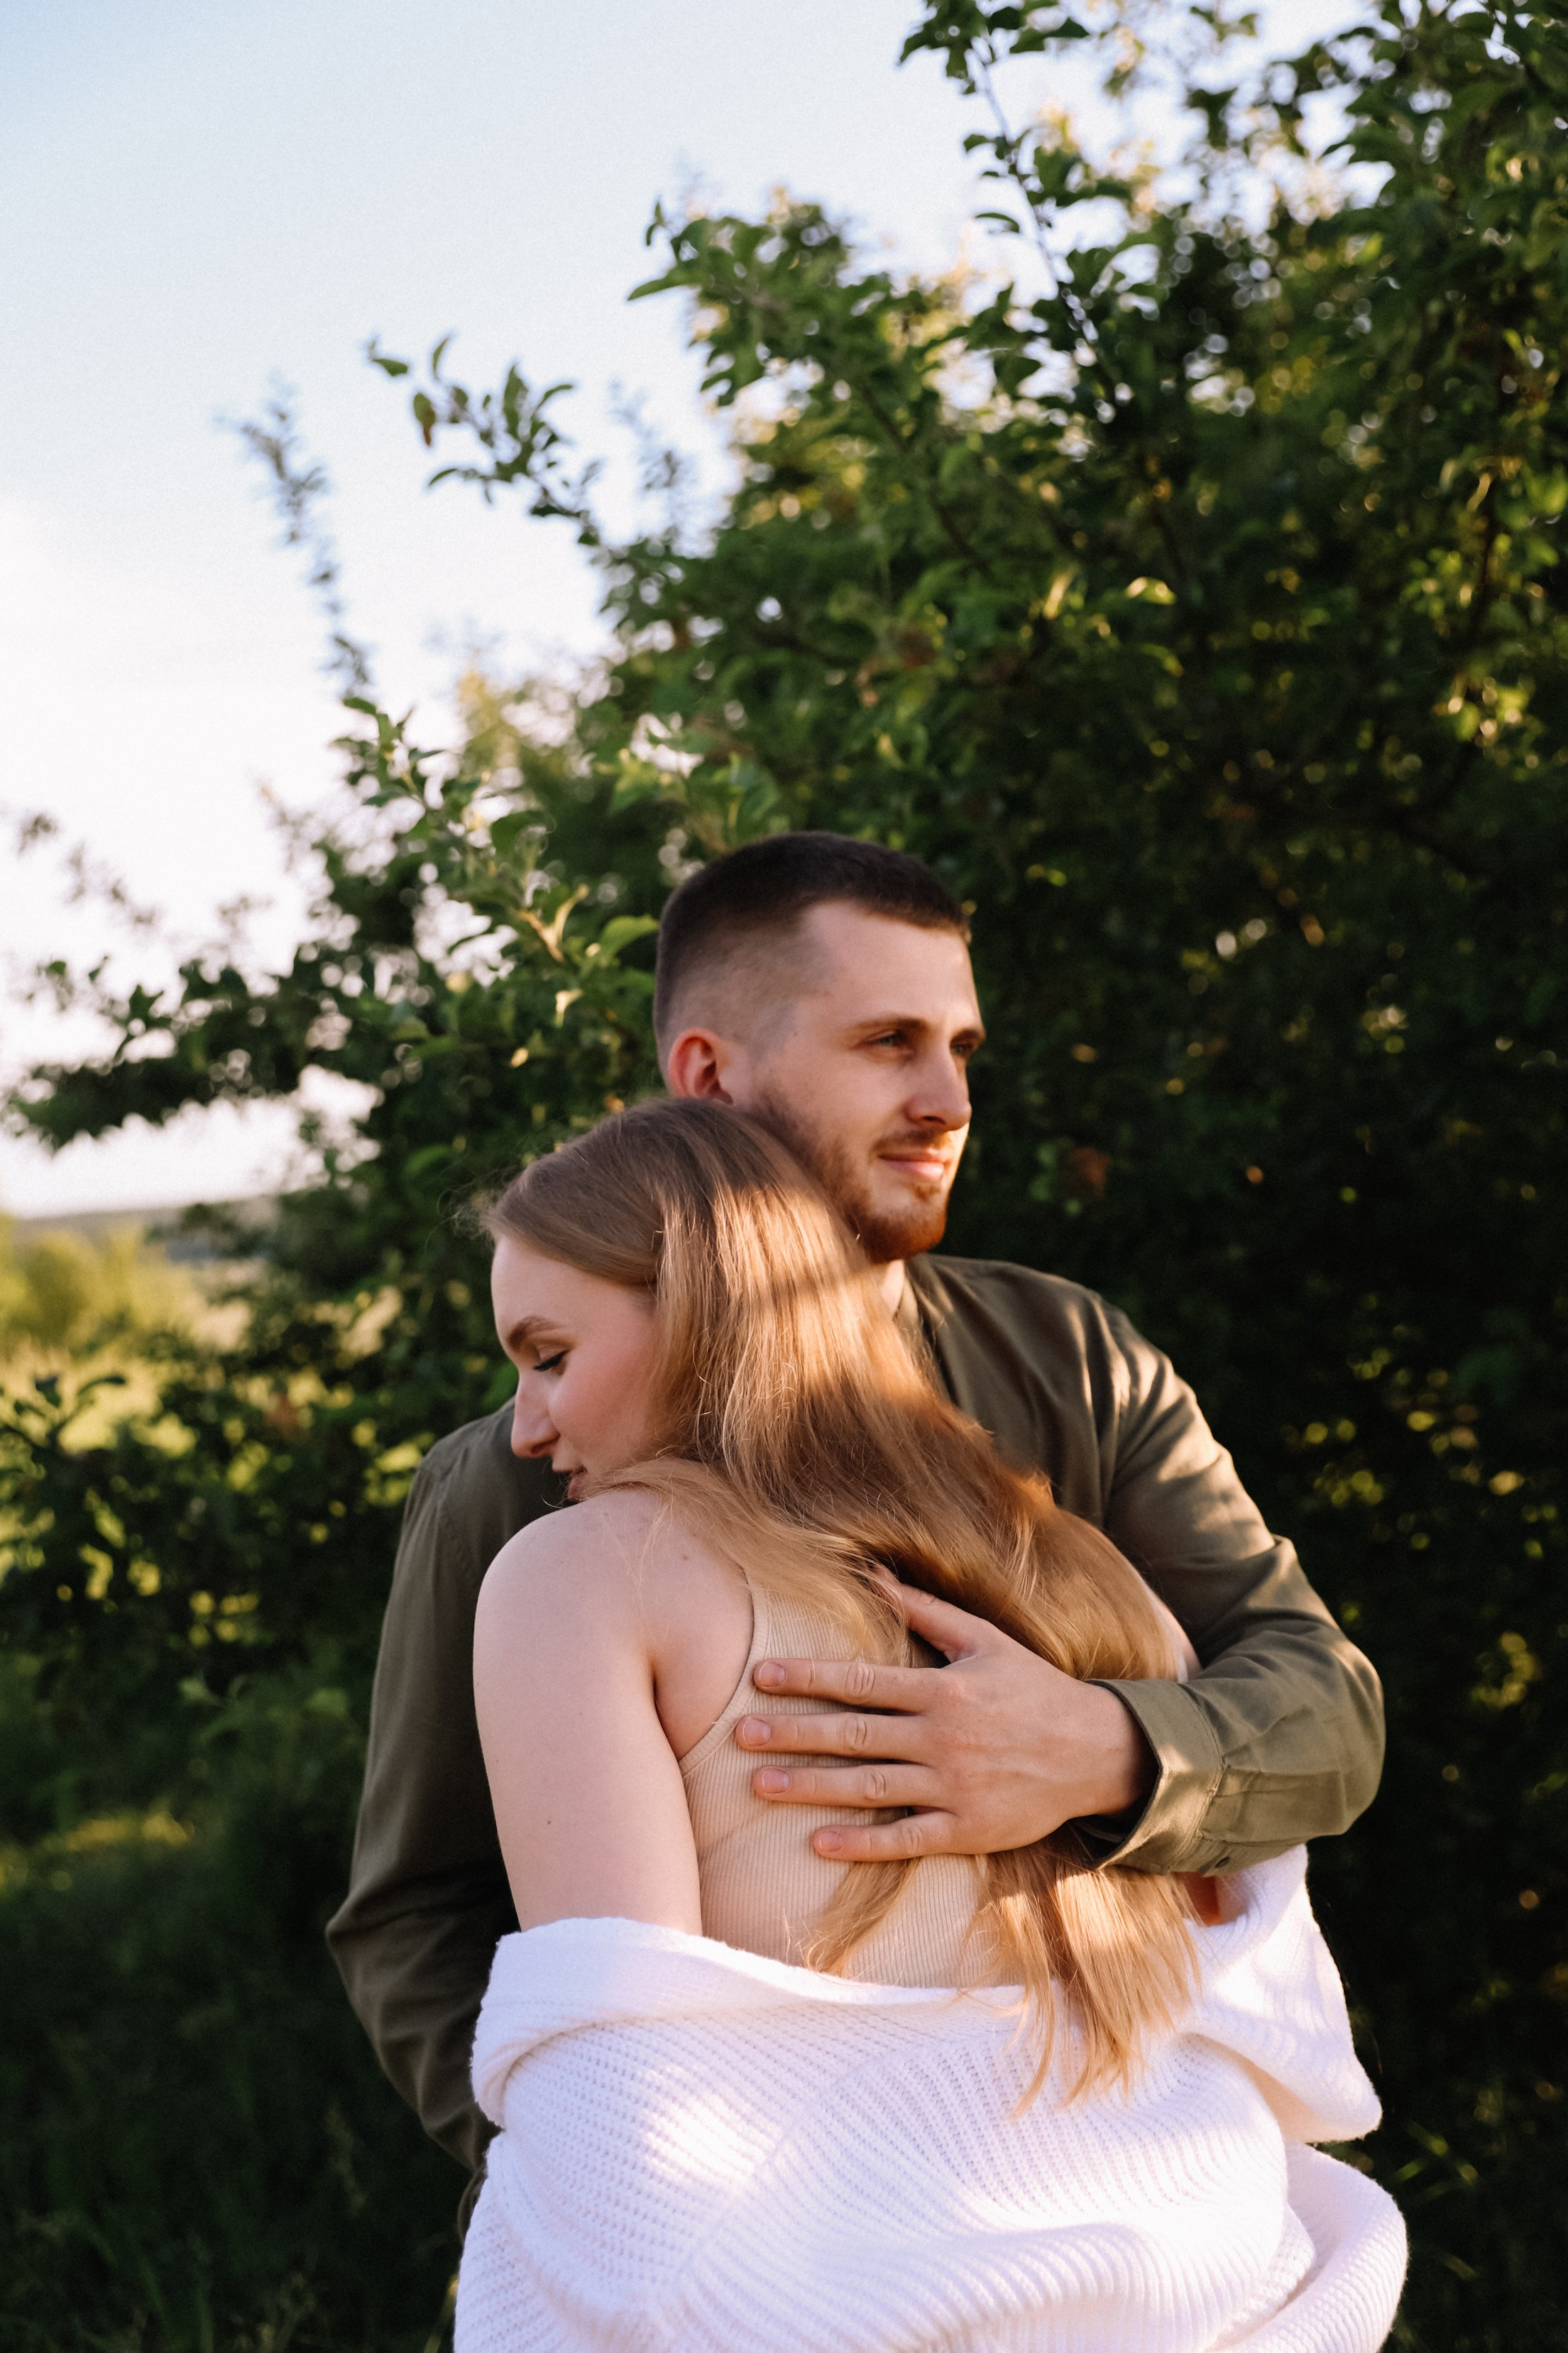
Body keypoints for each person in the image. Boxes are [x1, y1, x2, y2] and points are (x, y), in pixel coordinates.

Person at [326, 831, 1384, 2221]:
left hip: (1135, 2216)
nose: (948, 1096)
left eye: (961, 1045)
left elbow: (1329, 1713)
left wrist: (1108, 1748)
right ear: (710, 1073)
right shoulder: (522, 1483)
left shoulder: (1066, 1358)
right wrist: (608, 2203)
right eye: (889, 1041)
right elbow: (419, 1914)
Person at [454, 1096, 1405, 2351]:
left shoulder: (579, 1580)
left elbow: (619, 2141)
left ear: (690, 1308)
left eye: (549, 1354)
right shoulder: (1087, 1577)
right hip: (1213, 2285)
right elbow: (1256, 1996)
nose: (525, 1427)